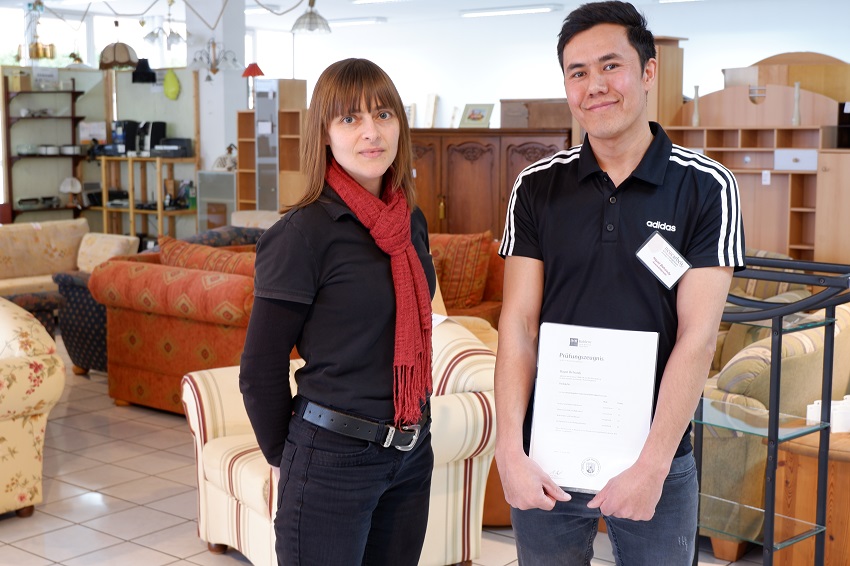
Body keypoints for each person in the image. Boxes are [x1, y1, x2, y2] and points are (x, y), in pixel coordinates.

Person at [494, 2, 745, 564]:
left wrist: (653, 465)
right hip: (546, 458)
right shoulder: (535, 187)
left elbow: (698, 336)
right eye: (577, 73)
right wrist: (510, 451)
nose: (594, 86)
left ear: (648, 71)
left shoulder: (706, 188)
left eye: (611, 66)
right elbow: (518, 323)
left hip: (655, 457)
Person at [239, 58, 436, 566]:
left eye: (384, 115)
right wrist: (292, 461)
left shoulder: (408, 221)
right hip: (331, 458)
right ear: (324, 134)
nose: (372, 132)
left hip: (411, 450)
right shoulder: (301, 234)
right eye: (350, 119)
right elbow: (259, 371)